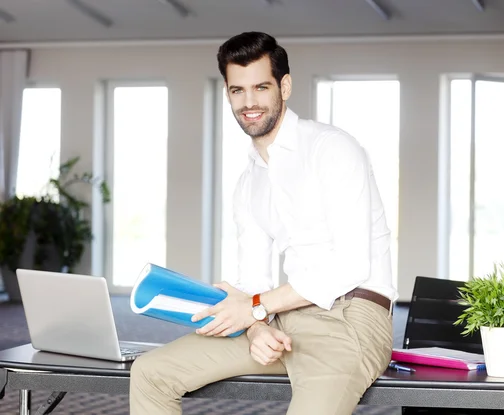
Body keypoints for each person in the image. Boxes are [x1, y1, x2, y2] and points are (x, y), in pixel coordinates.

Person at [129, 31, 397, 415]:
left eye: (261, 87)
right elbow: (252, 280)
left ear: (284, 87)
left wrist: (255, 309)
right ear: (227, 93)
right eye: (238, 90)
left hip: (350, 318)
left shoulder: (331, 148)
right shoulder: (249, 182)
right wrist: (256, 328)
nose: (249, 102)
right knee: (151, 373)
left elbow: (351, 266)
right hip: (283, 316)